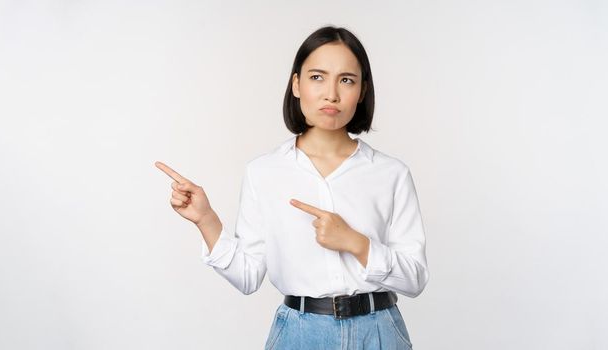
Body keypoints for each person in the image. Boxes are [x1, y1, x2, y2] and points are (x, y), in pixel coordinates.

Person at [155, 25, 429, 349]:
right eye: (317, 77)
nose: (332, 94)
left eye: (346, 80)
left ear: (363, 90)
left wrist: (356, 243)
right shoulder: (264, 172)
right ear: (296, 84)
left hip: (379, 332)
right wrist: (206, 220)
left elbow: (414, 279)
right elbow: (247, 276)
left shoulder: (390, 173)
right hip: (300, 335)